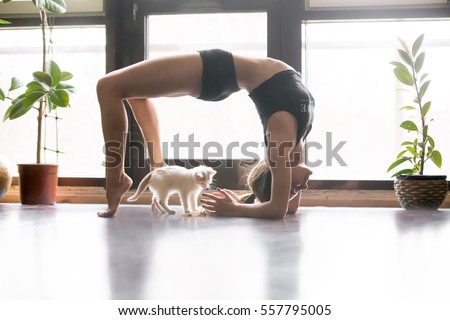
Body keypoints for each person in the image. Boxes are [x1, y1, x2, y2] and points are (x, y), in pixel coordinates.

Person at [96, 49, 314, 218]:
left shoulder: (280, 146)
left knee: (108, 86)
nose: (305, 185)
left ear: (276, 170)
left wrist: (235, 209)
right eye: (296, 187)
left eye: (295, 187)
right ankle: (157, 166)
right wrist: (279, 195)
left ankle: (115, 179)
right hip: (224, 74)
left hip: (218, 70)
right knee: (134, 93)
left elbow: (278, 210)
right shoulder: (295, 144)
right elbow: (289, 206)